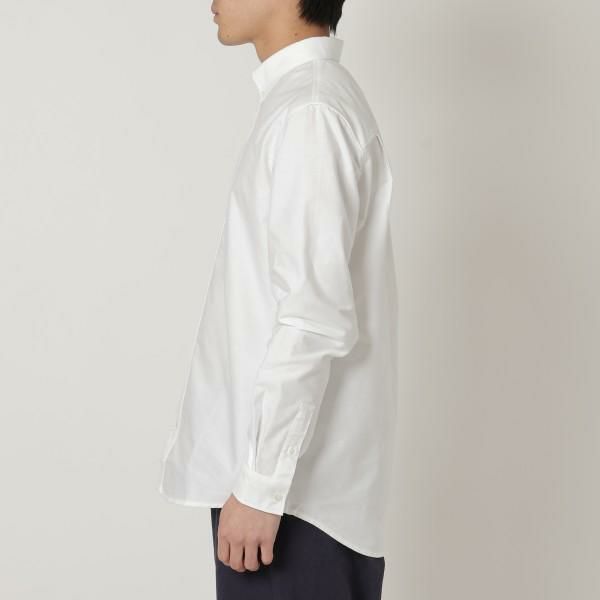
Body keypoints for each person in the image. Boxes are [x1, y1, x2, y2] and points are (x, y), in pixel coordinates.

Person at [158, 1, 399, 598]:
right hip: (285, 498)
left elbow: (313, 319)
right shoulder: (304, 102)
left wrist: (262, 485)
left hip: (291, 507)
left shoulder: (311, 112)